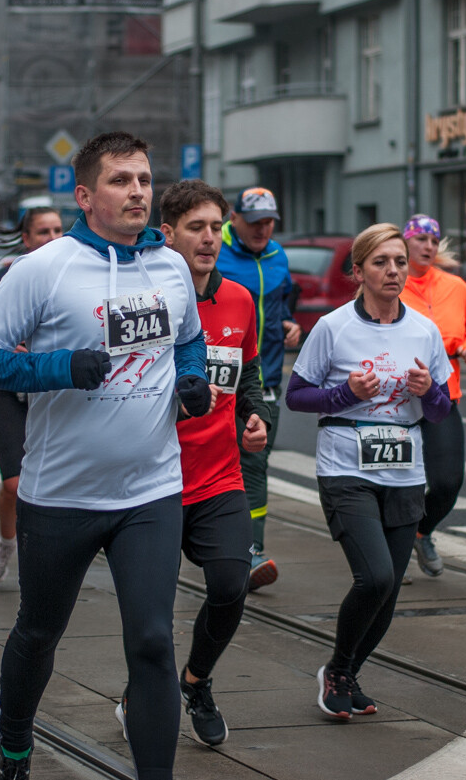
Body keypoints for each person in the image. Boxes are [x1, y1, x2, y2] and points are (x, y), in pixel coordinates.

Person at [0, 131, 210, 780]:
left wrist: (191, 380)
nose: (137, 192)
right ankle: (14, 742)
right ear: (86, 194)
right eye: (122, 180)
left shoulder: (172, 265)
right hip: (61, 494)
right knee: (39, 633)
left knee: (153, 641)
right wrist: (60, 366)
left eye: (144, 180)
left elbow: (189, 340)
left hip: (149, 491)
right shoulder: (46, 268)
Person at [285, 222, 452, 720]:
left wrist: (428, 391)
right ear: (358, 271)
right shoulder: (334, 327)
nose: (393, 271)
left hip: (404, 470)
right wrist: (346, 394)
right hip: (346, 468)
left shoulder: (424, 329)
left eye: (400, 261)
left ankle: (345, 672)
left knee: (390, 590)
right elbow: (297, 396)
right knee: (375, 577)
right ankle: (339, 668)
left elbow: (441, 412)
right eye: (381, 262)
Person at [152, 179, 270, 746]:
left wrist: (255, 415)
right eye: (195, 227)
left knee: (230, 585)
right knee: (151, 615)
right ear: (166, 233)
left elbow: (247, 375)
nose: (208, 239)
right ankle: (142, 694)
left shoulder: (241, 299)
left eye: (214, 228)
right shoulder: (147, 296)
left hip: (218, 475)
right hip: (152, 480)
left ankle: (196, 681)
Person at [0, 205, 64, 583]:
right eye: (42, 232)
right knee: (13, 484)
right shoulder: (10, 275)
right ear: (26, 239)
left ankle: (45, 558)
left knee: (53, 484)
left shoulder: (72, 274)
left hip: (53, 394)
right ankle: (6, 542)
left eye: (57, 231)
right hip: (10, 393)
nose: (51, 239)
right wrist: (7, 347)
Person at [215, 187, 301, 591]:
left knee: (254, 465)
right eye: (255, 221)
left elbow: (280, 303)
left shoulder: (278, 256)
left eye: (269, 222)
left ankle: (251, 551)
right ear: (235, 218)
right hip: (214, 384)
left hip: (263, 381)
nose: (263, 229)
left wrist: (288, 324)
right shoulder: (216, 251)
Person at [397, 214, 466, 578]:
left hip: (442, 397)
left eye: (434, 241)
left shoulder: (457, 287)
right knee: (398, 482)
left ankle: (422, 531)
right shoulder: (392, 283)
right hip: (396, 400)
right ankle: (392, 549)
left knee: (448, 482)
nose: (428, 247)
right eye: (420, 239)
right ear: (405, 243)